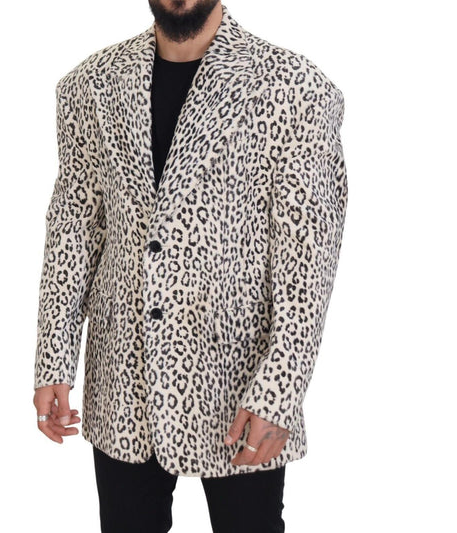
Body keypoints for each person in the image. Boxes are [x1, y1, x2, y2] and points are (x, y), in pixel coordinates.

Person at [33, 1, 348, 531]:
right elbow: (74, 229)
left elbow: (308, 261)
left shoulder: (295, 87)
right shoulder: (89, 85)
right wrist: (53, 361)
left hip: (240, 383)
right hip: (123, 380)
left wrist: (280, 389)